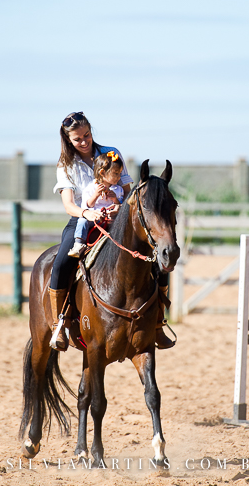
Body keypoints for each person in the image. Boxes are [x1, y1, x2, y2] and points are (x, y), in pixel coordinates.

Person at [50, 111, 175, 352]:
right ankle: (60, 324)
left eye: (86, 135)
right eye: (77, 139)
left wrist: (119, 207)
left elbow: (129, 192)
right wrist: (88, 213)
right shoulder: (65, 165)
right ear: (68, 140)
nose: (84, 141)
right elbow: (69, 206)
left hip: (118, 221)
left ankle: (158, 323)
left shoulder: (111, 153)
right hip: (83, 221)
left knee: (157, 259)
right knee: (61, 264)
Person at [67, 150, 125, 258]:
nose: (119, 177)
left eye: (120, 173)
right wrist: (96, 195)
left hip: (111, 219)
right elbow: (87, 205)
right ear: (102, 173)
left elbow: (121, 205)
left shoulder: (118, 189)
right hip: (93, 218)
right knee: (82, 221)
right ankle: (79, 243)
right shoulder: (91, 188)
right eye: (116, 173)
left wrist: (115, 199)